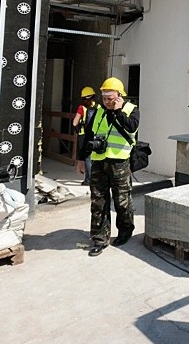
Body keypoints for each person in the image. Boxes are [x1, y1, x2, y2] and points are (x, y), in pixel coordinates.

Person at [76, 76, 139, 256]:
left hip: (120, 163)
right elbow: (89, 135)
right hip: (99, 162)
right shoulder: (98, 112)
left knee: (122, 200)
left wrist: (118, 112)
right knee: (98, 201)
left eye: (110, 98)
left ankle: (125, 231)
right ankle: (99, 238)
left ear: (119, 96)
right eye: (104, 98)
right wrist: (81, 159)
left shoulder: (131, 110)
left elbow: (131, 127)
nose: (106, 101)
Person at [72, 86, 97, 185]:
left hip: (84, 135)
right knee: (94, 156)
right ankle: (95, 178)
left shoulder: (81, 108)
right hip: (95, 135)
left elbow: (74, 123)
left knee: (87, 157)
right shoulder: (98, 107)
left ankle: (88, 180)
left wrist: (78, 131)